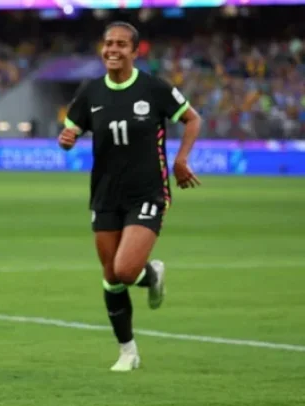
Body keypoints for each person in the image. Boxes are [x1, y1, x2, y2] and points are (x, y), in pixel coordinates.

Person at [58, 22, 202, 372]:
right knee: (110, 276)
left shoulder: (153, 88)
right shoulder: (92, 92)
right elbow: (72, 126)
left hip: (147, 191)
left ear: (135, 51)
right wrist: (67, 136)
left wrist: (181, 160)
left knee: (124, 270)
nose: (113, 50)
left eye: (121, 44)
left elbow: (192, 119)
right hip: (105, 194)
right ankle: (128, 351)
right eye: (108, 43)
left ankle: (148, 274)